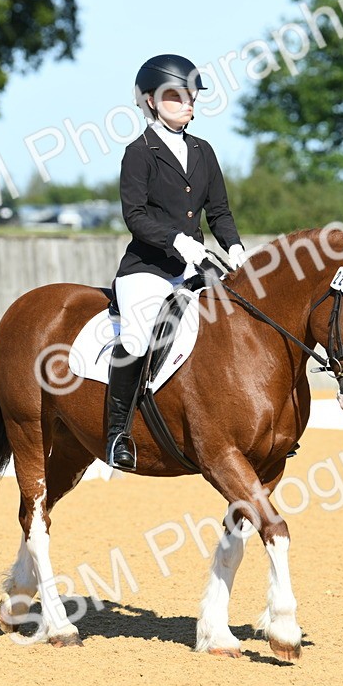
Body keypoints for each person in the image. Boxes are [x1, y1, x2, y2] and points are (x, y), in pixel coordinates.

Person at [105, 54, 247, 471]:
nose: (188, 103)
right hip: (147, 269)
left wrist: (235, 247)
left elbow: (218, 211)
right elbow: (135, 215)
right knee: (135, 339)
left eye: (191, 96)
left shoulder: (203, 151)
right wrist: (176, 240)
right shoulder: (139, 152)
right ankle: (118, 434)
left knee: (240, 323)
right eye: (177, 96)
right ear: (150, 101)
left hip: (196, 267)